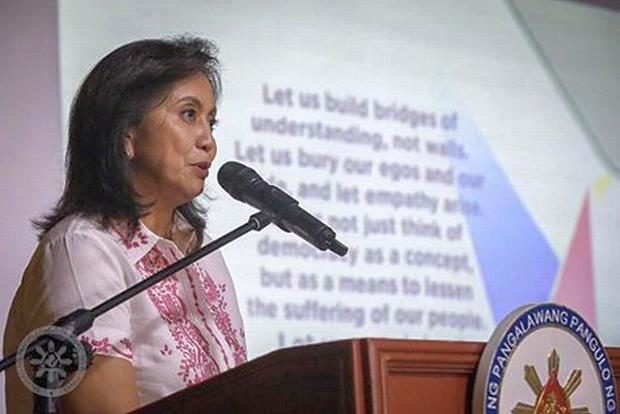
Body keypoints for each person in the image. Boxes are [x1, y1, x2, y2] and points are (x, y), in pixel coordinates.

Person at [3, 37, 247, 413]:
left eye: (210, 121)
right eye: (188, 114)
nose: (208, 141)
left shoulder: (203, 252)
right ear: (126, 135)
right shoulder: (83, 248)